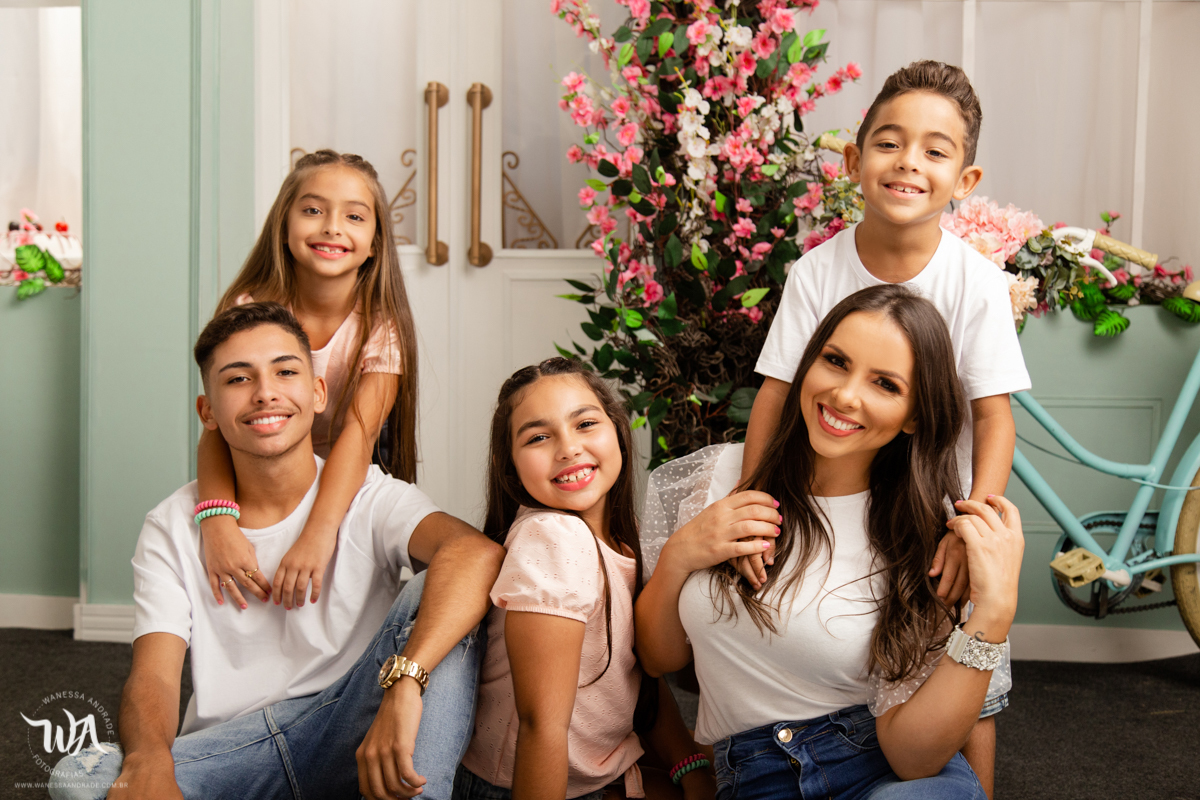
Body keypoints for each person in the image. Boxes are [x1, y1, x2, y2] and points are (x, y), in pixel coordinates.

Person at [49, 303, 505, 800]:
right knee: (82, 778)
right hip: (237, 747)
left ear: (317, 392)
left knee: (442, 587)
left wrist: (405, 683)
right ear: (208, 412)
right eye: (238, 379)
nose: (265, 392)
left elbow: (474, 553)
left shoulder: (369, 496)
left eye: (285, 372)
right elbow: (154, 675)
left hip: (354, 725)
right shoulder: (171, 525)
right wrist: (148, 760)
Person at [738, 61, 1030, 794]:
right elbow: (775, 395)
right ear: (854, 160)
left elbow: (994, 417)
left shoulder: (976, 284)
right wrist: (753, 503)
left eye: (935, 150)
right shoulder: (816, 272)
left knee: (967, 686)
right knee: (857, 657)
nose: (908, 163)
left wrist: (970, 528)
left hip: (935, 510)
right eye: (890, 143)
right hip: (838, 499)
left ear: (964, 180)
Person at [636, 286, 1024, 799]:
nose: (845, 395)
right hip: (756, 778)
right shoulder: (719, 479)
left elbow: (912, 760)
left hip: (880, 772)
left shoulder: (921, 538)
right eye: (836, 361)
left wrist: (993, 614)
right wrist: (679, 556)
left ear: (914, 415)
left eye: (885, 383)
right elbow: (658, 659)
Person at [454, 358, 717, 800]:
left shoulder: (625, 538)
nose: (568, 448)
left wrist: (690, 769)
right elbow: (542, 726)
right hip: (527, 783)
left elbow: (638, 678)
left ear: (617, 430)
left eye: (585, 424)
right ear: (509, 465)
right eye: (538, 437)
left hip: (603, 767)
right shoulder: (554, 538)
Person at [197, 149, 421, 613]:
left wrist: (319, 532)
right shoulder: (247, 311)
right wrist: (216, 523)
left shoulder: (381, 329)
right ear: (284, 226)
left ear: (375, 243)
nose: (332, 227)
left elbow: (359, 436)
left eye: (354, 216)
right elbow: (217, 425)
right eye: (313, 210)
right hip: (259, 463)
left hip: (345, 468)